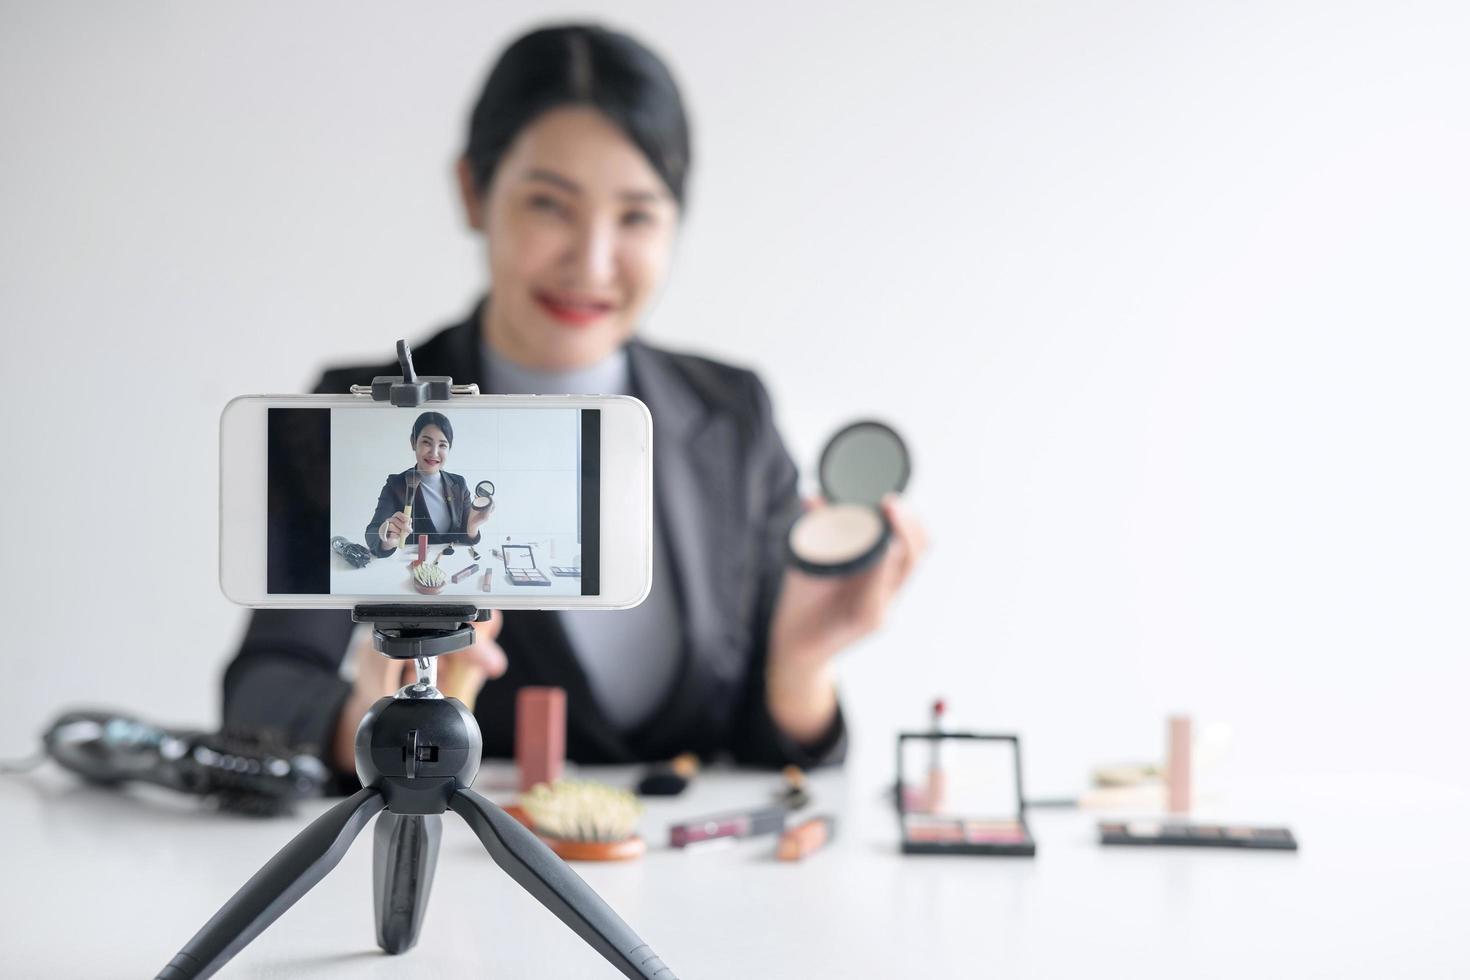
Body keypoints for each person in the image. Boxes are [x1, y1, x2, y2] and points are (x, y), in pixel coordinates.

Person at [222, 24, 927, 788]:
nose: (592, 262)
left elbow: (762, 753)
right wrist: (363, 713)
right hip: (464, 880)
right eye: (550, 205)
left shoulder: (733, 415)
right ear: (473, 192)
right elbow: (264, 693)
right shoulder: (357, 419)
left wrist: (799, 666)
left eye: (636, 216)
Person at [363, 410, 492, 557]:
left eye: (442, 445)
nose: (434, 453)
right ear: (413, 442)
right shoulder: (396, 484)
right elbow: (372, 533)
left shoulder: (459, 484)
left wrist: (473, 526)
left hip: (449, 567)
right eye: (426, 442)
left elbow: (464, 538)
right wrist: (387, 538)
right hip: (410, 569)